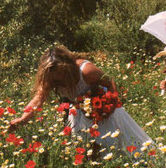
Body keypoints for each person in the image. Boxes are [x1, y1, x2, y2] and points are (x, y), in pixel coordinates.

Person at [9, 45, 153, 157]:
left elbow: (110, 83)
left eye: (60, 74)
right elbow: (37, 100)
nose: (58, 79)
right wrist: (22, 119)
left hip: (105, 113)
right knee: (86, 151)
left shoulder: (86, 71)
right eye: (54, 76)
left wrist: (109, 108)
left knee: (115, 147)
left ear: (67, 66)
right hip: (80, 116)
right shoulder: (50, 77)